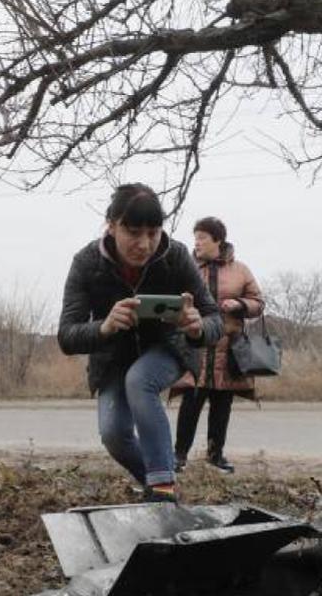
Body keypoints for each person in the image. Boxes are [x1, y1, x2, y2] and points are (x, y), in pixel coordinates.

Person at [57, 184, 222, 502]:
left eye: (154, 231)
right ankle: (155, 484)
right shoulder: (87, 262)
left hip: (169, 349)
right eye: (133, 232)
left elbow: (214, 318)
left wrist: (197, 326)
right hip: (112, 358)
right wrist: (103, 328)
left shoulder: (175, 256)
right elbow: (67, 335)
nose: (144, 244)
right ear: (112, 225)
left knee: (140, 380)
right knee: (113, 434)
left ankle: (163, 489)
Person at [172, 217, 264, 474]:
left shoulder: (241, 270)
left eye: (202, 237)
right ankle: (179, 456)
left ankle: (215, 455)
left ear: (218, 241)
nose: (197, 242)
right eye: (196, 237)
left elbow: (258, 302)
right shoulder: (186, 268)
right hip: (195, 348)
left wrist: (240, 305)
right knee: (190, 403)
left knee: (222, 405)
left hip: (229, 350)